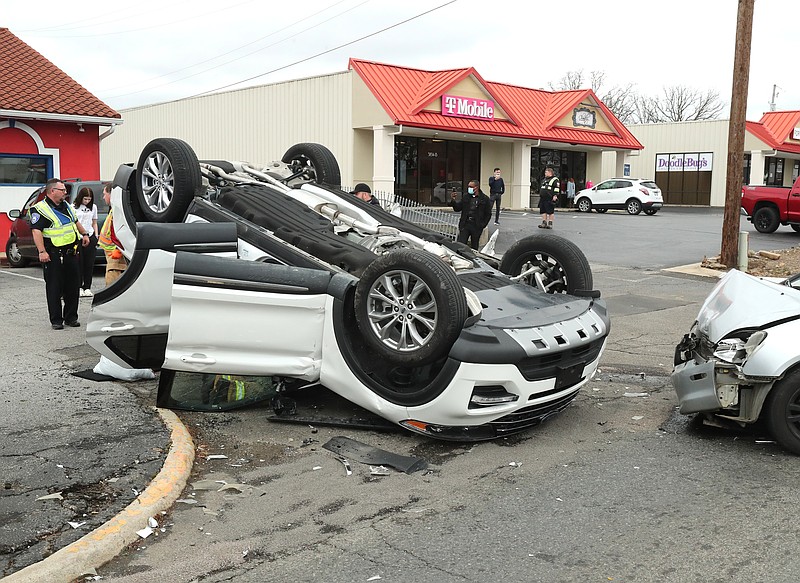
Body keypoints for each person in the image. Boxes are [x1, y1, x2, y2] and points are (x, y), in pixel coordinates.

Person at [31, 179, 92, 329]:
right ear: (52, 191)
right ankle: (56, 320)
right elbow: (36, 231)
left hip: (71, 253)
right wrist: (42, 251)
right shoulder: (39, 209)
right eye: (62, 190)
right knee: (54, 287)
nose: (65, 192)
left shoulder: (66, 206)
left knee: (73, 286)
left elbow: (75, 221)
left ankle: (71, 317)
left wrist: (84, 234)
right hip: (53, 254)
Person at [97, 183, 128, 286]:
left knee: (111, 283)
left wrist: (118, 249)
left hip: (115, 256)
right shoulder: (114, 209)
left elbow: (120, 231)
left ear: (111, 194)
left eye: (104, 194)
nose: (103, 197)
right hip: (112, 253)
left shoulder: (118, 210)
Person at [451, 179, 491, 249]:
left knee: (474, 247)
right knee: (461, 245)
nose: (469, 188)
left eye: (471, 187)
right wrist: (453, 200)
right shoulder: (466, 196)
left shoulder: (484, 199)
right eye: (469, 186)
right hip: (465, 224)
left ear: (476, 187)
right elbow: (457, 208)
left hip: (476, 225)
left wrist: (482, 225)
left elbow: (488, 214)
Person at [74, 186, 98, 297]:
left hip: (90, 235)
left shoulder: (93, 207)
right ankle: (78, 286)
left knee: (89, 263)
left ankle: (87, 287)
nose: (87, 201)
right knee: (79, 263)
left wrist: (96, 235)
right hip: (78, 237)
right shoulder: (73, 207)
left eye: (89, 199)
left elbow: (94, 222)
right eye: (85, 199)